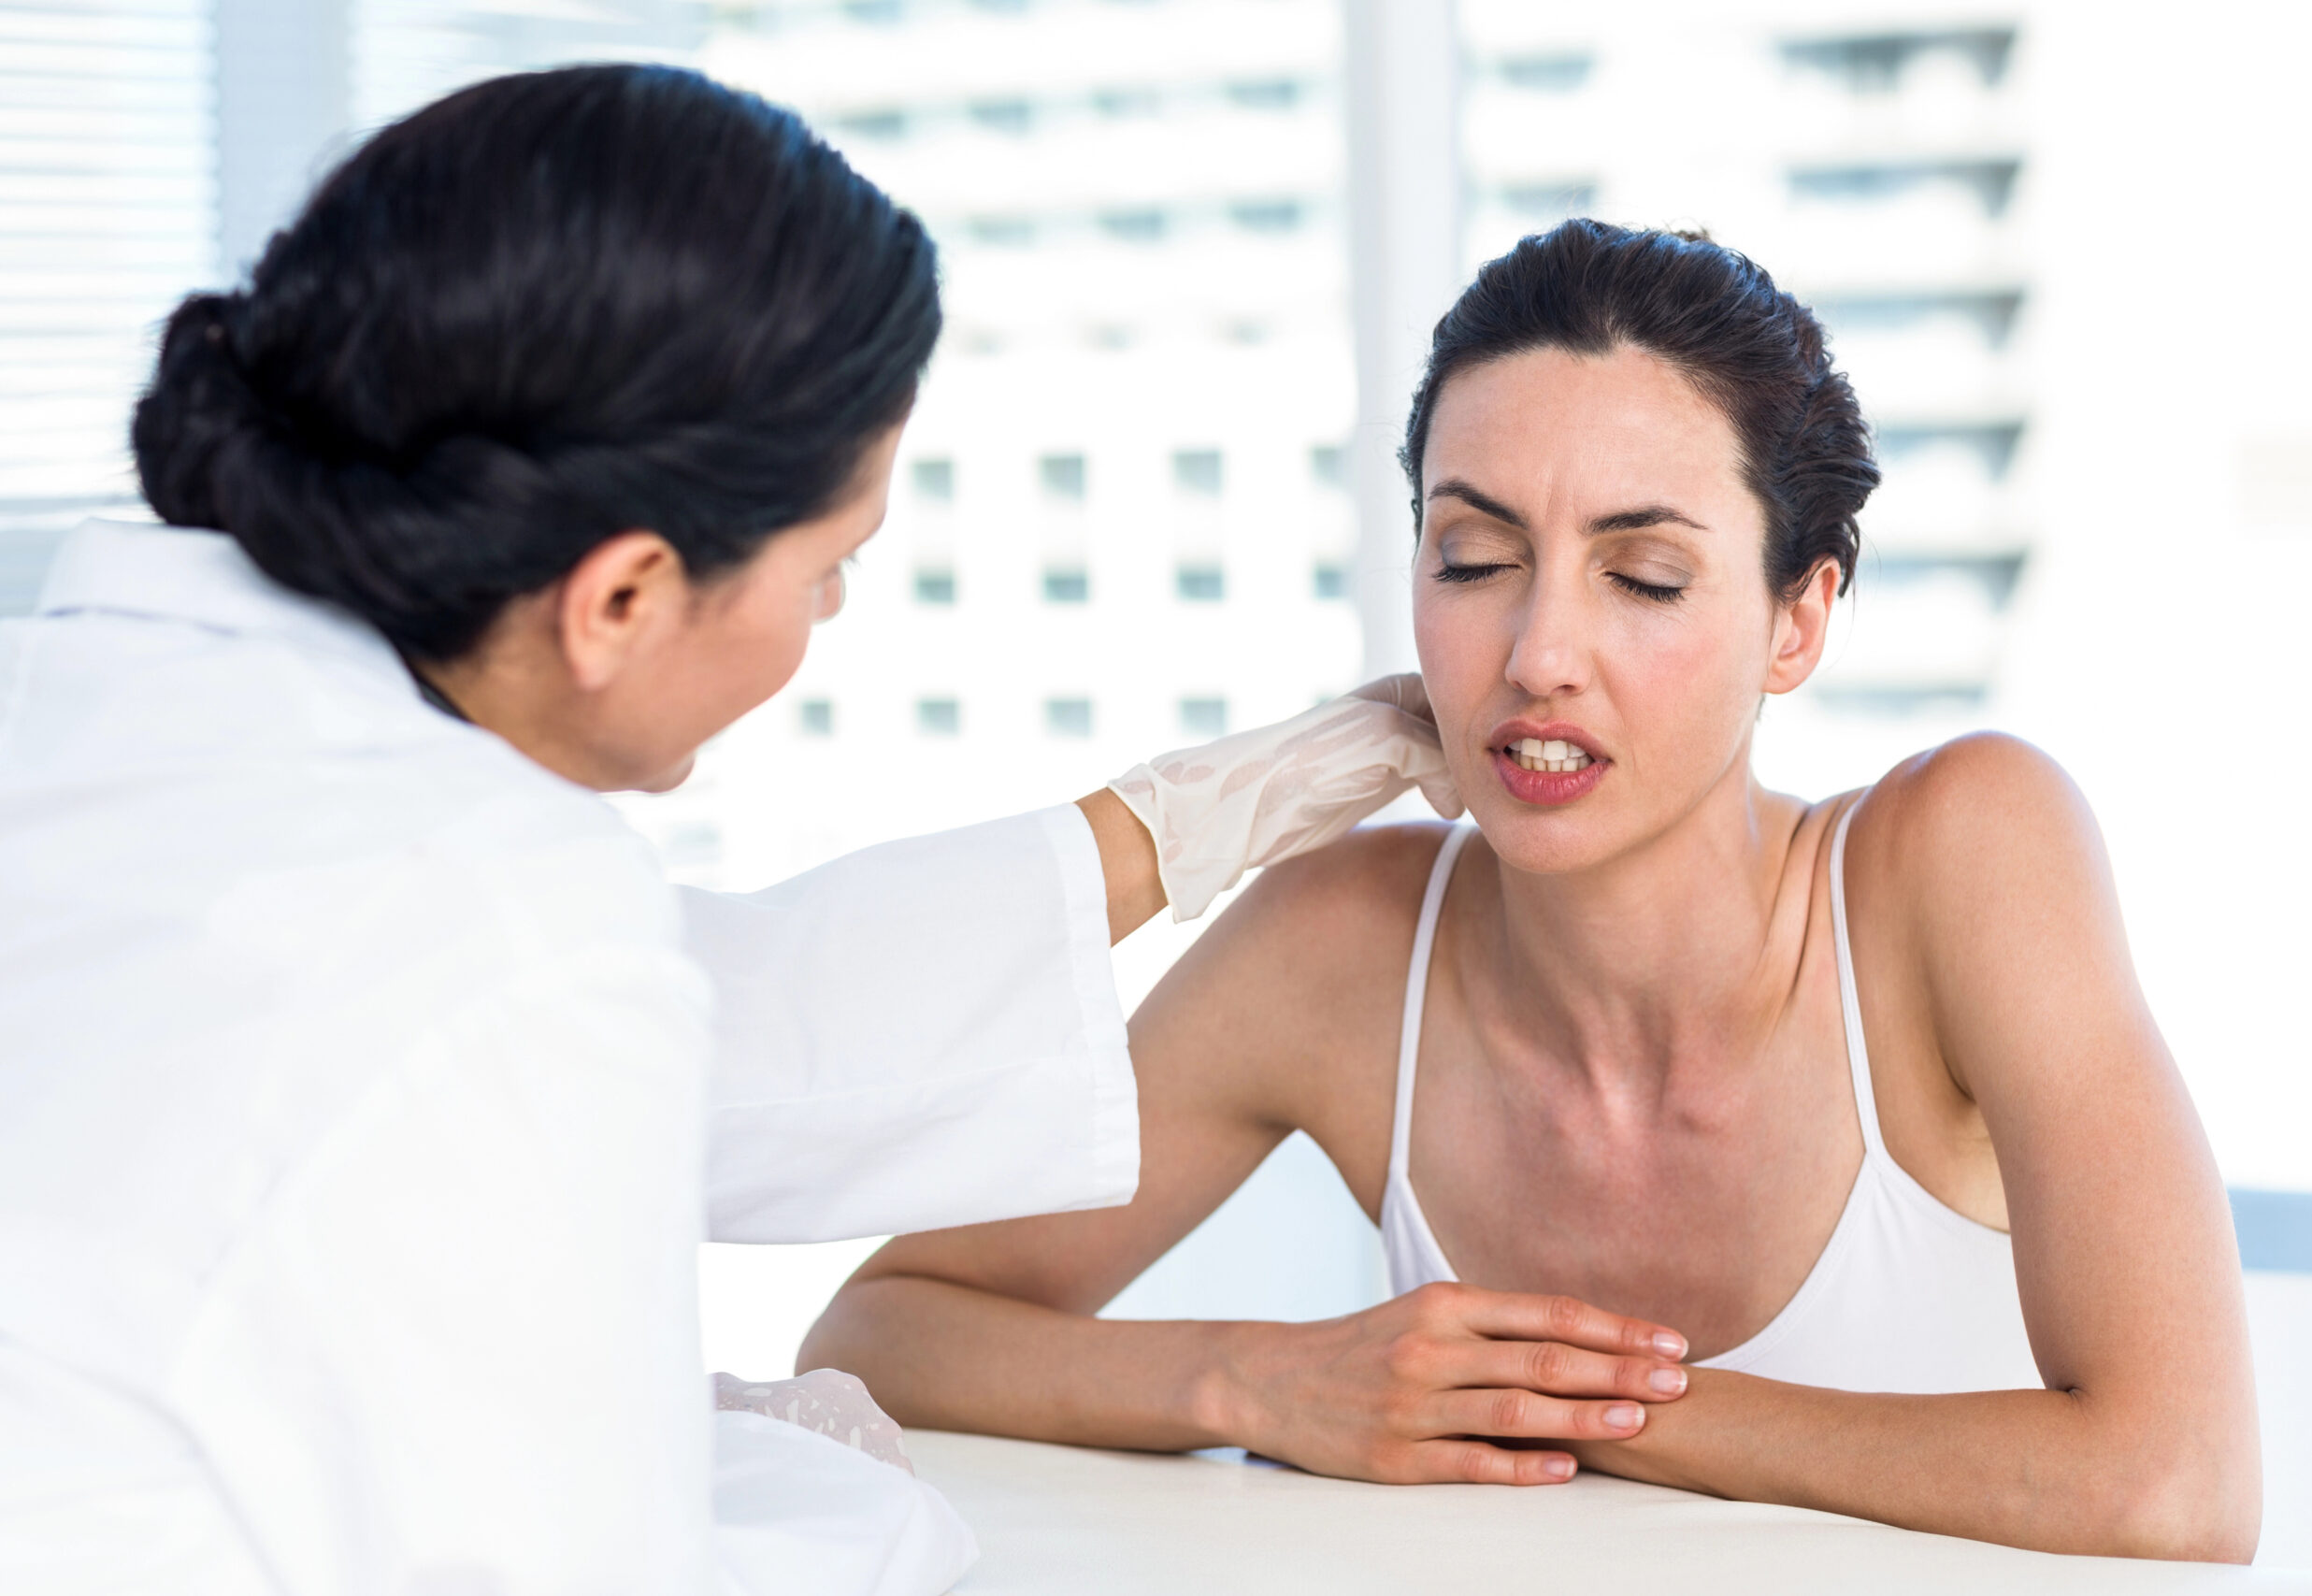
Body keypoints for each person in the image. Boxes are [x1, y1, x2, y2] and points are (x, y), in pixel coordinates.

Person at [0, 65, 1455, 1596]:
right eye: (828, 566)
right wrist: (829, 1496)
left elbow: (714, 1014)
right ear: (623, 596)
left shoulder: (110, 718)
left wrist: (1203, 817)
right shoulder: (490, 915)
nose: (828, 615)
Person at [802, 222, 2264, 1562]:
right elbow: (876, 1332)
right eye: (1477, 555)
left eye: (1644, 577)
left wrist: (1572, 1410)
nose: (1539, 650)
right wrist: (1270, 1380)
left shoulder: (1960, 856)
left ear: (1800, 616)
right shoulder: (1346, 943)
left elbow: (2175, 1482)